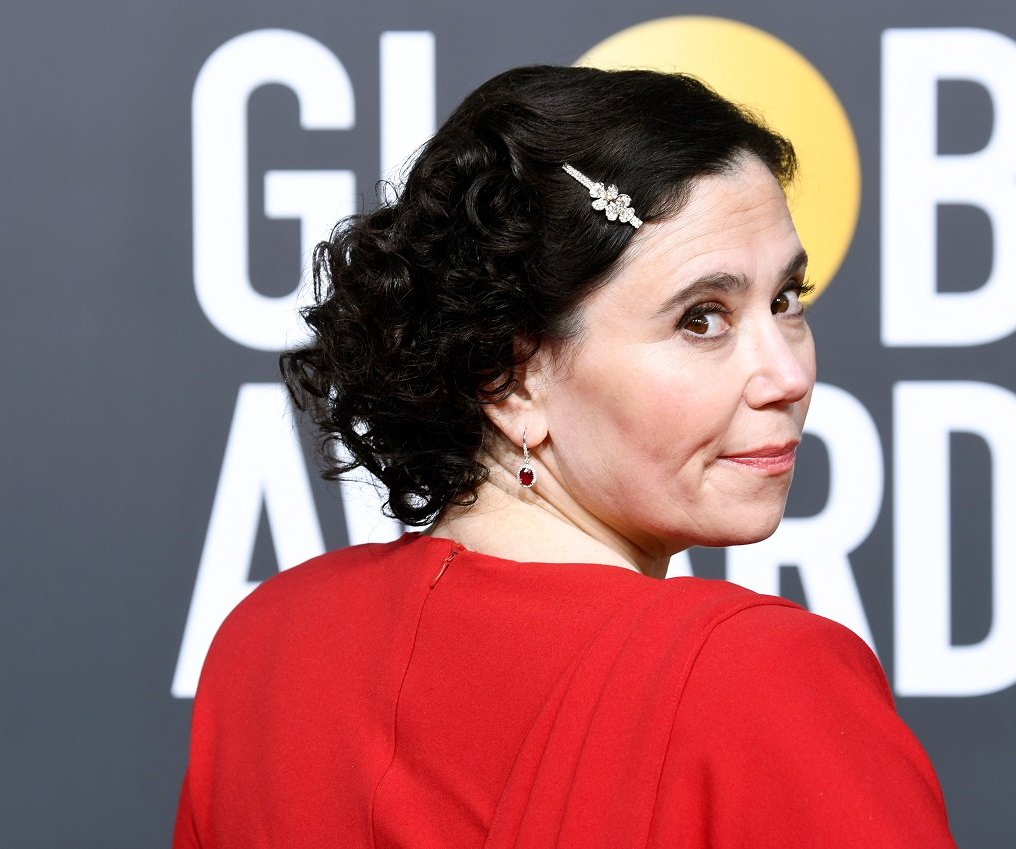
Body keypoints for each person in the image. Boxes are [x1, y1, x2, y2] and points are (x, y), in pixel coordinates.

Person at [173, 65, 957, 847]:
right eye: (701, 319)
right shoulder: (762, 684)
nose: (788, 376)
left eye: (786, 301)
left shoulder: (264, 648)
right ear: (510, 379)